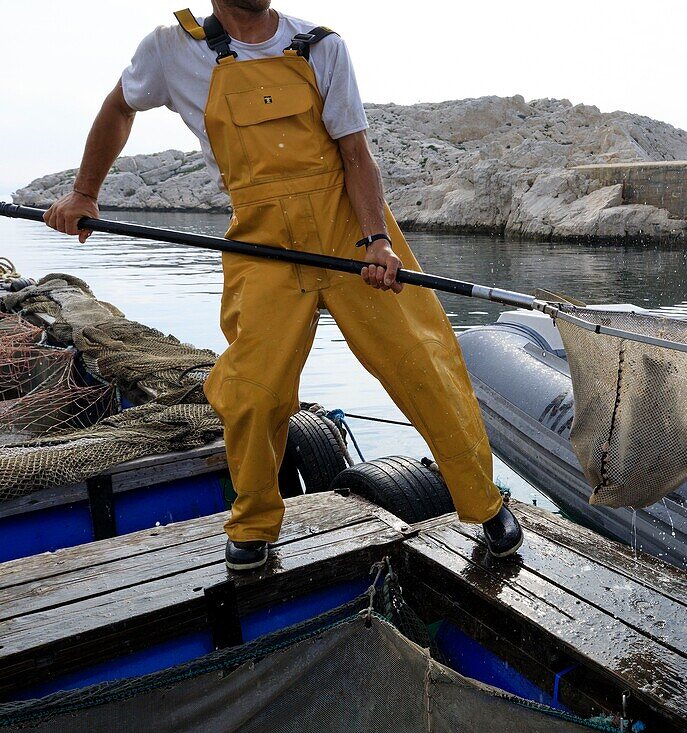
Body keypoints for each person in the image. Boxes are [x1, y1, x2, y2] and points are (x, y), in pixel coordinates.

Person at [43, 1, 523, 570]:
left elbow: (355, 155)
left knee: (423, 364)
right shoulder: (172, 48)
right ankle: (253, 526)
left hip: (350, 229)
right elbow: (120, 108)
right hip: (263, 240)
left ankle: (485, 506)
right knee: (253, 389)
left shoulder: (320, 45)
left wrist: (377, 241)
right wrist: (84, 192)